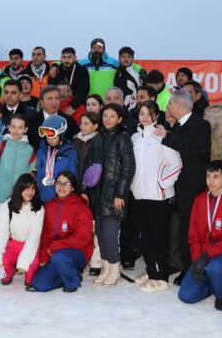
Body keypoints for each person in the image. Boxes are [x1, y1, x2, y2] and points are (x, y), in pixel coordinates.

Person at [156, 90, 212, 285]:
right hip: (176, 187)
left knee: (189, 230)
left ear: (178, 105)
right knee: (179, 229)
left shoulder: (201, 125)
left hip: (192, 187)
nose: (167, 108)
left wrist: (168, 136)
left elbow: (196, 149)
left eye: (169, 104)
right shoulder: (177, 126)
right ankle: (182, 264)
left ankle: (190, 269)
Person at [178, 160, 222, 311]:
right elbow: (193, 235)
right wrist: (197, 259)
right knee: (186, 295)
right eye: (208, 176)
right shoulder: (199, 200)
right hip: (204, 254)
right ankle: (216, 284)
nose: (211, 181)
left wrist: (207, 256)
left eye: (216, 176)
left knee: (217, 267)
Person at [130, 101, 183, 292]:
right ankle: (152, 269)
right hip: (139, 195)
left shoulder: (162, 136)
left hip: (159, 197)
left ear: (156, 116)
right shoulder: (135, 138)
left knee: (157, 239)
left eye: (149, 113)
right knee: (143, 239)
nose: (144, 117)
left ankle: (159, 278)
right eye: (141, 113)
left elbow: (176, 164)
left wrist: (162, 184)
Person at [84, 103, 135, 287]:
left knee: (110, 235)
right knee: (100, 234)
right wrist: (87, 189)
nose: (108, 119)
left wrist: (120, 193)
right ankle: (106, 267)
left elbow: (128, 168)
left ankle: (114, 269)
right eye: (105, 115)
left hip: (114, 195)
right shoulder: (98, 138)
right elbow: (89, 165)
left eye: (112, 116)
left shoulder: (123, 138)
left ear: (120, 119)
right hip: (98, 195)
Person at [28, 171, 94, 293]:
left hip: (78, 251)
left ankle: (73, 282)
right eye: (58, 183)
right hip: (54, 253)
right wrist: (44, 254)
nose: (61, 187)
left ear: (73, 187)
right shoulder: (49, 206)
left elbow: (82, 238)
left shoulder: (81, 207)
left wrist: (54, 247)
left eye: (66, 183)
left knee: (60, 257)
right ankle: (71, 274)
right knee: (39, 284)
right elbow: (45, 234)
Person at [0, 173, 45, 286]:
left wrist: (24, 262)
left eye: (33, 188)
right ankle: (9, 272)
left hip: (30, 246)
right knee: (3, 273)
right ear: (19, 188)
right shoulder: (7, 206)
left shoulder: (38, 209)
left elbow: (34, 236)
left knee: (30, 279)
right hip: (12, 244)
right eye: (27, 188)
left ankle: (28, 271)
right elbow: (3, 233)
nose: (30, 192)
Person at [0, 114, 36, 216]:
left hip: (20, 200)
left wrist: (27, 196)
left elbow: (31, 176)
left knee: (16, 230)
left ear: (26, 129)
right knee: (0, 229)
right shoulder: (0, 146)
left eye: (20, 127)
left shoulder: (31, 150)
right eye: (13, 127)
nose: (16, 130)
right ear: (9, 127)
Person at [72, 111, 103, 275]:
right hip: (75, 189)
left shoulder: (99, 141)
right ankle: (81, 259)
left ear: (95, 126)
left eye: (86, 124)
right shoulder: (75, 141)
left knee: (94, 226)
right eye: (81, 123)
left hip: (94, 190)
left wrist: (86, 189)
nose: (82, 126)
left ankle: (96, 261)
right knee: (79, 226)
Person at [35, 115, 78, 202]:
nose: (50, 140)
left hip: (59, 199)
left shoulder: (70, 153)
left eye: (54, 137)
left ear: (61, 136)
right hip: (41, 198)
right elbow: (37, 171)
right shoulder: (41, 151)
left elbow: (72, 178)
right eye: (47, 137)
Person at [49, 47, 89, 111]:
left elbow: (84, 91)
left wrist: (73, 106)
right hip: (58, 106)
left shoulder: (82, 70)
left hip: (76, 106)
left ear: (75, 58)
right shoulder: (55, 71)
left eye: (69, 57)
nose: (66, 60)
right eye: (64, 57)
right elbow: (50, 89)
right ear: (61, 58)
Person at [114, 46, 146, 112]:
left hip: (132, 112)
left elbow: (141, 94)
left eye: (129, 56)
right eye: (123, 56)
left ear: (132, 59)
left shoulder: (137, 76)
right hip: (118, 111)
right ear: (119, 58)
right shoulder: (116, 74)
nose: (126, 59)